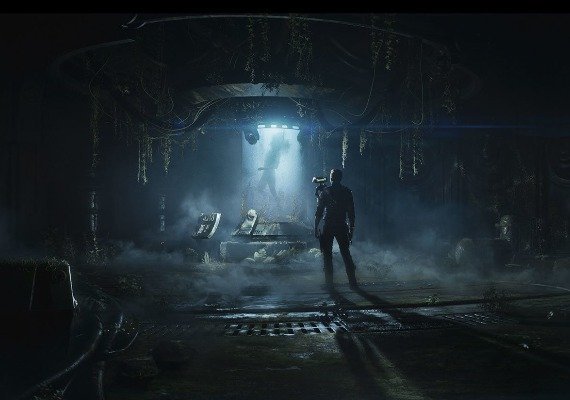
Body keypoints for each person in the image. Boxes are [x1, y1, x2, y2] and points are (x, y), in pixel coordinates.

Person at [314, 168, 357, 289]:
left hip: (328, 225)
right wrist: (351, 229)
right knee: (345, 253)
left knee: (327, 255)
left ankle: (329, 283)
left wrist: (316, 227)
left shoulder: (325, 191)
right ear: (340, 178)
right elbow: (351, 213)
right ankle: (353, 282)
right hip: (341, 225)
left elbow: (319, 211)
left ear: (331, 177)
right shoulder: (347, 191)